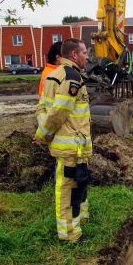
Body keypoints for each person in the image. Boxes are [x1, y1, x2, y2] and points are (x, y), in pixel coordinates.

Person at [34, 38, 92, 243]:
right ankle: (69, 235)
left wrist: (43, 133)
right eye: (84, 52)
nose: (87, 56)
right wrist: (42, 135)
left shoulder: (53, 75)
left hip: (70, 146)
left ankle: (78, 222)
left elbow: (42, 108)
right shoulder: (71, 78)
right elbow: (58, 112)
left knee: (77, 186)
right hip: (71, 147)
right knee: (68, 191)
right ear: (74, 55)